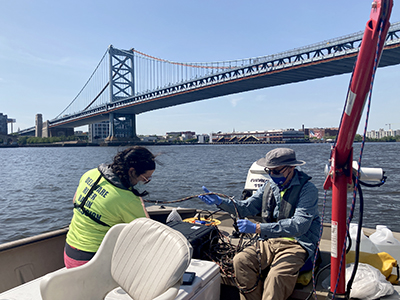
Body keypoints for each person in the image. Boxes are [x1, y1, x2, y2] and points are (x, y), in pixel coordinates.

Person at [199, 148, 320, 300]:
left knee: (277, 276)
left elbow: (299, 225)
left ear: (291, 168)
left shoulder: (308, 190)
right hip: (269, 240)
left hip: (298, 243)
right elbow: (246, 207)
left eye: (276, 171)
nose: (271, 175)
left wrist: (257, 228)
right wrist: (221, 202)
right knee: (240, 261)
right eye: (269, 171)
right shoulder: (268, 186)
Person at [64, 146, 156, 268]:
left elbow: (75, 200)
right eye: (145, 179)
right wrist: (141, 204)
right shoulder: (128, 199)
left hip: (69, 253)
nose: (144, 182)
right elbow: (147, 233)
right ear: (132, 171)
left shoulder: (90, 174)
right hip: (92, 262)